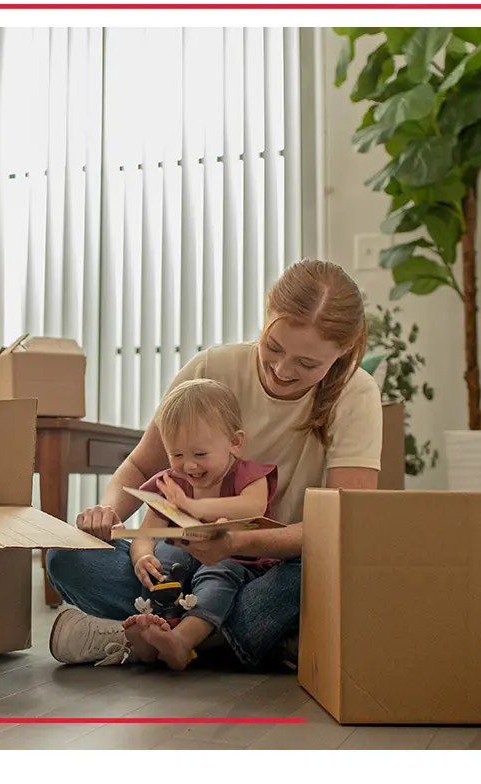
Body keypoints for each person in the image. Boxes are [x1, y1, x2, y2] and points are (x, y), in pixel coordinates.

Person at [46, 258, 383, 671]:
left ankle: (139, 638)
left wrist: (237, 543)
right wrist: (109, 513)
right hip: (181, 569)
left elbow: (342, 524)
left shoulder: (356, 395)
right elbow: (140, 469)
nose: (281, 370)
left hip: (271, 570)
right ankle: (237, 639)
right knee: (66, 556)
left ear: (342, 352)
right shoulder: (212, 369)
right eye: (273, 347)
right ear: (266, 316)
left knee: (312, 577)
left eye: (307, 364)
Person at [121, 377, 279, 672]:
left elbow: (253, 507)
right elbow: (147, 533)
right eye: (177, 455)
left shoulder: (249, 475)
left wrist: (194, 507)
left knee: (217, 574)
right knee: (163, 560)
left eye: (200, 454)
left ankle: (184, 639)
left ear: (235, 443)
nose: (189, 465)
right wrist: (141, 556)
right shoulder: (169, 483)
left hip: (232, 562)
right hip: (181, 563)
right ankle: (152, 634)